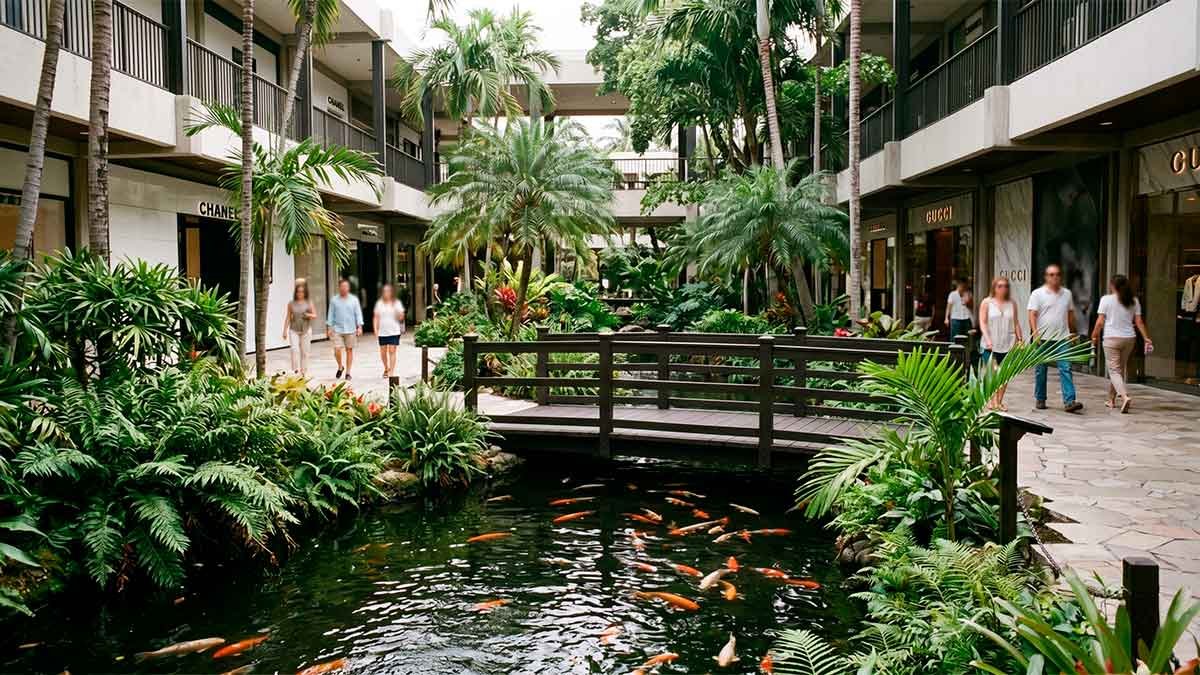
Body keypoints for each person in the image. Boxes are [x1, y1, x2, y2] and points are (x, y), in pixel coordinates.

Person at [1090, 274, 1153, 414]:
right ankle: (1111, 399)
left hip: (1111, 338)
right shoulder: (1134, 301)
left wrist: (1093, 335)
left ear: (1112, 285)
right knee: (1118, 370)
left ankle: (1124, 396)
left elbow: (1100, 322)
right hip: (1129, 339)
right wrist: (1146, 338)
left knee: (1114, 370)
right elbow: (1139, 322)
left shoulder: (1106, 300)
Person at [1028, 264, 1083, 413]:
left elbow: (1070, 315)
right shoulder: (1037, 294)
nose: (1055, 277)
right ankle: (1040, 398)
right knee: (1041, 369)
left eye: (1057, 274)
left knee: (1066, 368)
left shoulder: (1067, 294)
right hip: (1043, 338)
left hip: (1062, 338)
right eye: (1051, 274)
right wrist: (1035, 333)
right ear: (1046, 277)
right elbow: (1032, 314)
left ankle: (1069, 401)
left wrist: (1074, 333)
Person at [979, 276, 1023, 411]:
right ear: (994, 287)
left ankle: (999, 401)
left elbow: (1015, 323)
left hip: (1007, 343)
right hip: (990, 344)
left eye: (1005, 286)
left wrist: (1020, 339)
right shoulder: (987, 302)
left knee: (1004, 375)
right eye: (1000, 286)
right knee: (993, 373)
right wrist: (987, 339)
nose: (1003, 289)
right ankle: (992, 400)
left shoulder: (1012, 303)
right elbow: (983, 322)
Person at [326, 279, 363, 380]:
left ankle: (348, 372)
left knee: (349, 350)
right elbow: (330, 314)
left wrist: (359, 326)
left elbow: (358, 314)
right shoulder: (334, 300)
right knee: (337, 349)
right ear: (339, 287)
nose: (344, 288)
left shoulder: (354, 300)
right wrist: (329, 327)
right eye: (342, 286)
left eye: (346, 286)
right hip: (337, 329)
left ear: (348, 288)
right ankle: (340, 366)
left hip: (351, 329)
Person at [282, 278, 317, 375]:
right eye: (298, 292)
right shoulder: (291, 303)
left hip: (306, 330)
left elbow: (315, 315)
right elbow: (288, 317)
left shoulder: (309, 302)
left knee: (305, 352)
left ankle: (304, 372)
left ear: (304, 293)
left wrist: (308, 315)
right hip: (294, 330)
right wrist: (285, 330)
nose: (300, 294)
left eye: (302, 292)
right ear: (295, 293)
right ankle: (295, 370)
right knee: (294, 350)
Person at [374, 283, 406, 378]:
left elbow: (401, 317)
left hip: (394, 331)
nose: (386, 293)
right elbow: (376, 317)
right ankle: (386, 368)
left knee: (392, 350)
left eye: (388, 291)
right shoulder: (379, 303)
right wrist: (375, 329)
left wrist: (398, 313)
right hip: (382, 332)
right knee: (383, 352)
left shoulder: (396, 303)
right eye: (385, 291)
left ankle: (391, 372)